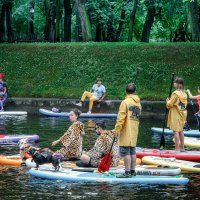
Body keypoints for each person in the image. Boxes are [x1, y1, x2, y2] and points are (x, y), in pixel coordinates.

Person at [114, 83, 142, 178]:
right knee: (132, 151)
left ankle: (127, 172)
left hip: (126, 130)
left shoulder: (125, 102)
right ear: (135, 91)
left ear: (126, 91)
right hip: (134, 130)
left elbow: (121, 118)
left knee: (125, 151)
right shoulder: (138, 103)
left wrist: (117, 130)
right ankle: (133, 171)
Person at [166, 77, 187, 152]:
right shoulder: (184, 94)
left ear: (178, 84)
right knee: (181, 130)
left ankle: (177, 149)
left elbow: (170, 104)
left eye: (175, 82)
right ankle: (182, 148)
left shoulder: (175, 93)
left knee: (176, 131)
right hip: (182, 114)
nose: (174, 83)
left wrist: (167, 101)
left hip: (176, 114)